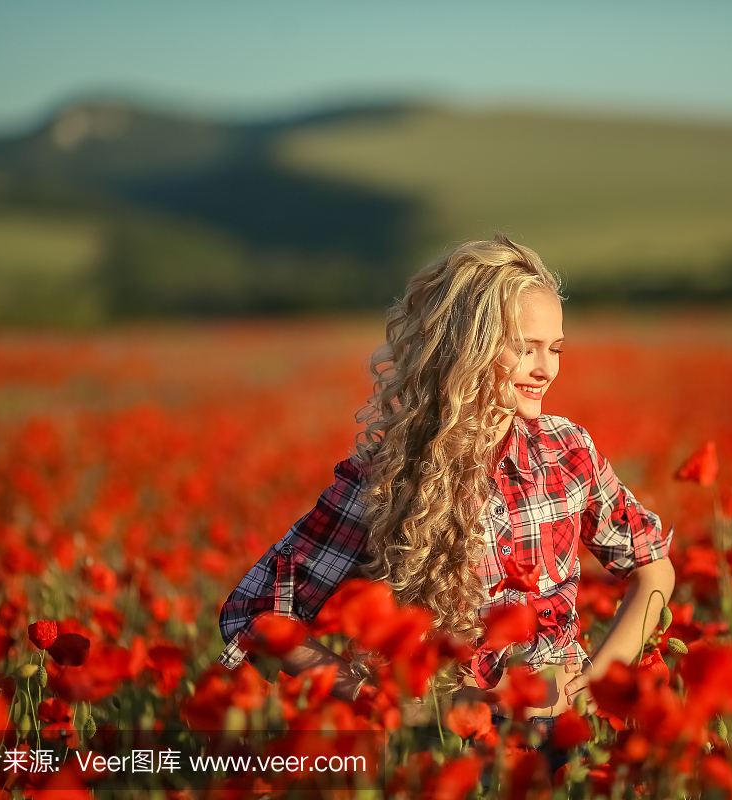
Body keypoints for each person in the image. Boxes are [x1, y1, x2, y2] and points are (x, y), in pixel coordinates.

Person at [216, 235, 674, 756]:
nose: (547, 369)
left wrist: (594, 684)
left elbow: (653, 568)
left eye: (556, 349)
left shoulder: (569, 451)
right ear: (469, 346)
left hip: (564, 741)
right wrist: (380, 699)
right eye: (525, 348)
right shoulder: (389, 478)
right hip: (444, 751)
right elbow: (253, 615)